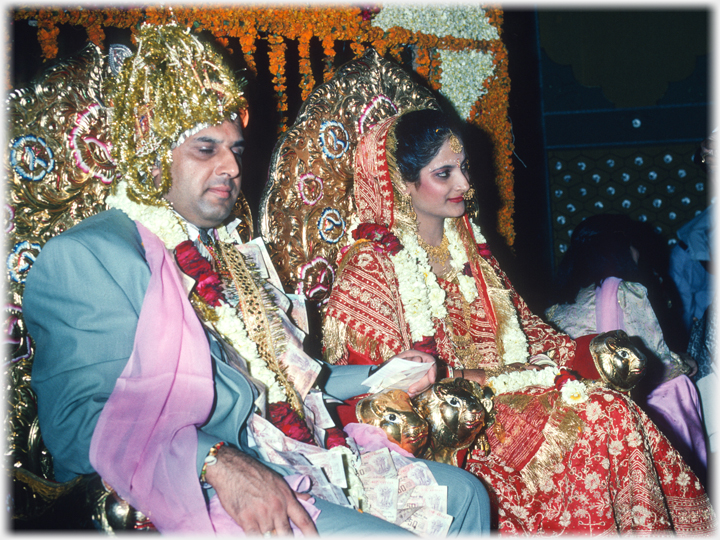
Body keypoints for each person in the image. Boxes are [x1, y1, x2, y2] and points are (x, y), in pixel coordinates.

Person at [22, 25, 491, 535]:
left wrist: (384, 373)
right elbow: (75, 427)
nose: (231, 166)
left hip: (286, 454)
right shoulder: (89, 255)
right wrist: (216, 460)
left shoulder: (226, 254)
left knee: (465, 496)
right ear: (156, 152)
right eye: (207, 149)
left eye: (237, 151)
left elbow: (285, 382)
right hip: (194, 486)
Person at [322, 109, 714, 534]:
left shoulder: (472, 251)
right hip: (453, 432)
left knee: (612, 407)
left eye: (465, 168)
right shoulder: (370, 264)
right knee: (602, 417)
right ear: (400, 182)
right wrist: (475, 376)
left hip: (516, 396)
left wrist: (588, 351)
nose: (465, 185)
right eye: (445, 173)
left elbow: (530, 332)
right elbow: (379, 383)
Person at [545, 213, 708, 487]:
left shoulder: (556, 307)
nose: (637, 252)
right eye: (632, 244)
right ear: (618, 247)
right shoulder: (626, 292)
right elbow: (658, 367)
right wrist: (685, 363)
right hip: (631, 413)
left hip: (583, 416)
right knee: (681, 383)